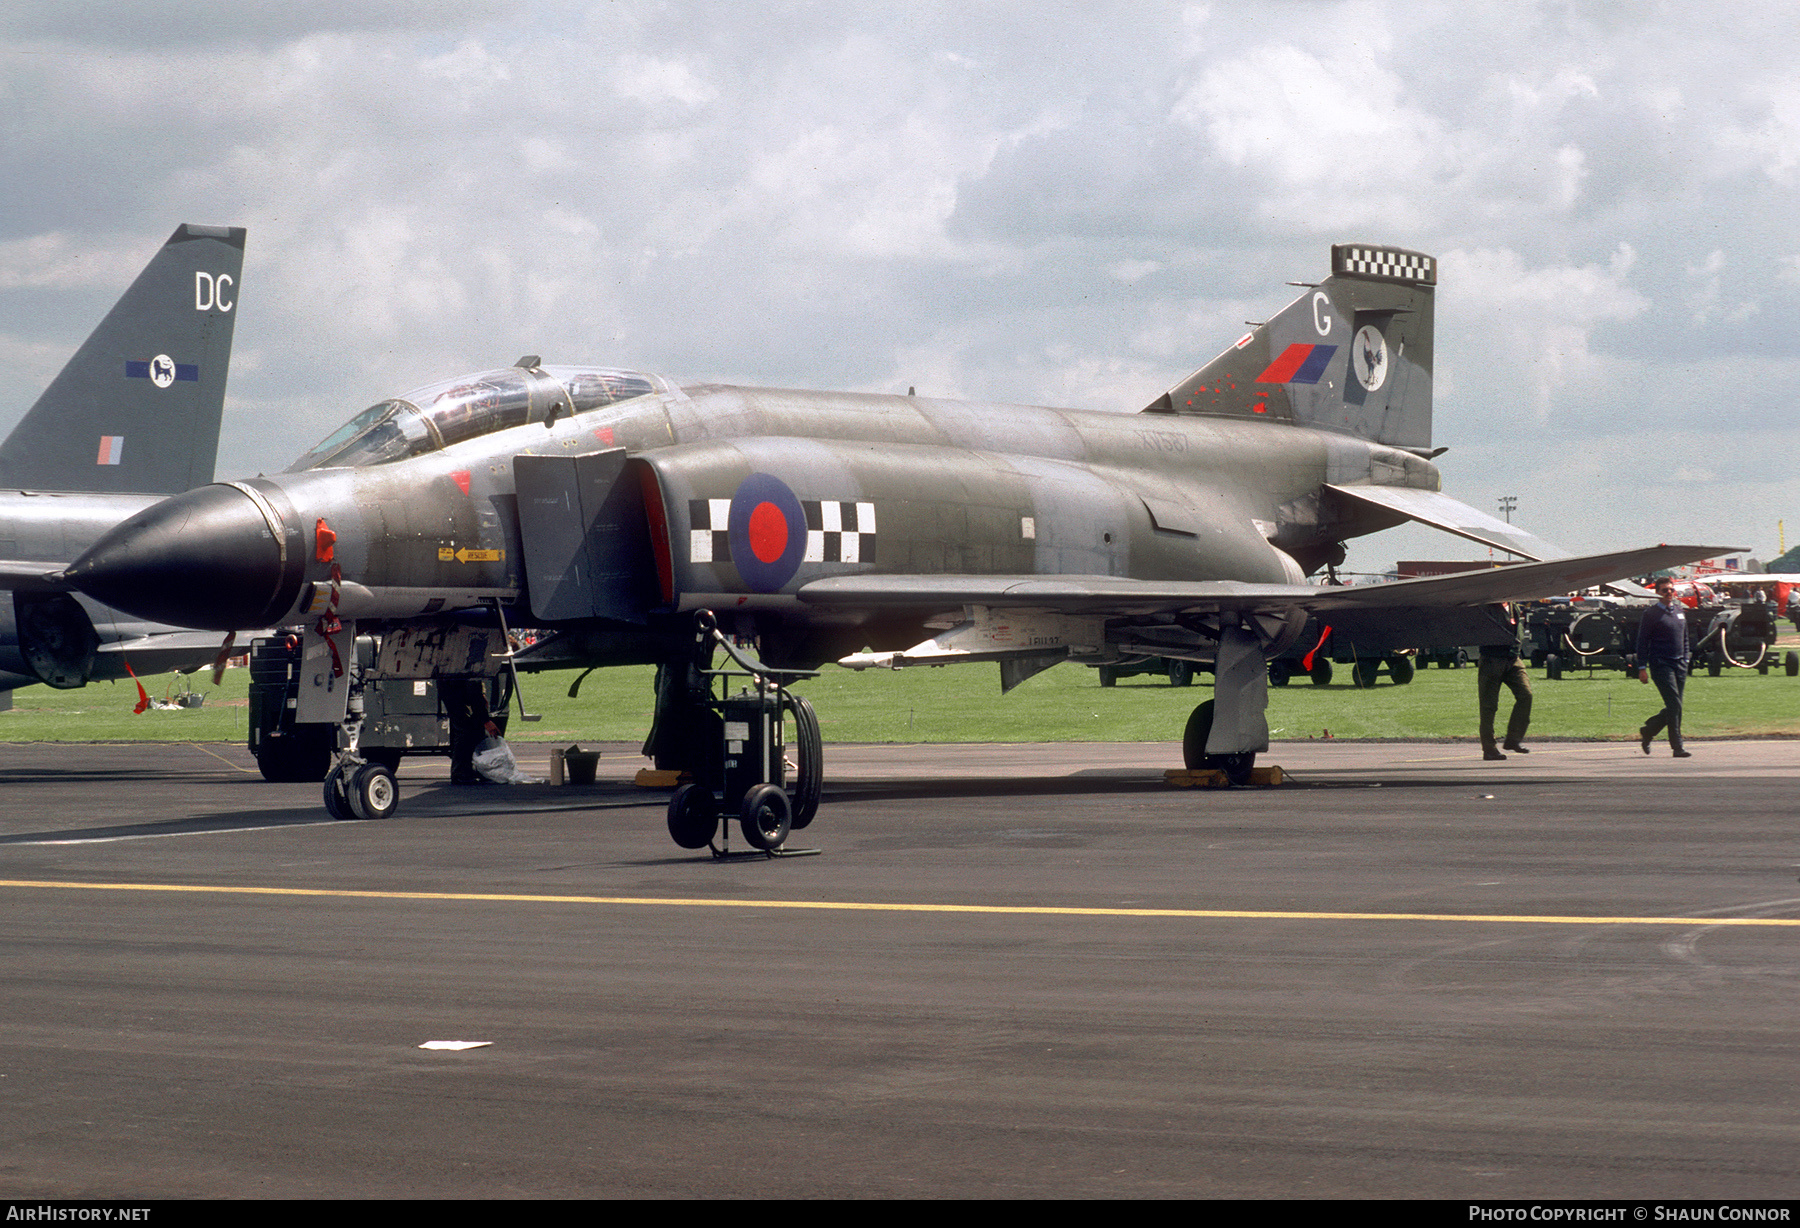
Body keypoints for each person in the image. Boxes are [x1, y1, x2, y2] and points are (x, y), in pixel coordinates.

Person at [1636, 577, 1692, 758]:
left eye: (1671, 590)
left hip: (1679, 664)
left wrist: (1686, 658)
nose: (1669, 593)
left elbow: (1684, 637)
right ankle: (1677, 747)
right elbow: (1642, 641)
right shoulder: (1651, 614)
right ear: (1657, 593)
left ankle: (1649, 730)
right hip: (1661, 664)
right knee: (1674, 704)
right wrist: (1641, 667)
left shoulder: (1679, 610)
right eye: (1664, 590)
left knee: (1676, 705)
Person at [1477, 608, 1532, 761]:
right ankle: (1489, 749)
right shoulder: (1488, 605)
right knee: (1488, 707)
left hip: (1513, 658)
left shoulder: (1513, 605)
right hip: (1491, 660)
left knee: (1526, 695)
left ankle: (1513, 739)